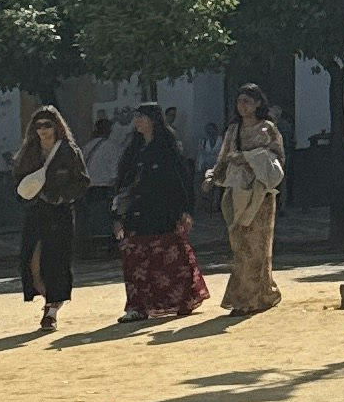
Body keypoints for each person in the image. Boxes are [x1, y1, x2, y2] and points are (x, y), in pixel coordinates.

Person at [112, 104, 210, 323]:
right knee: (134, 259)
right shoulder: (133, 149)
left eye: (141, 117)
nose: (137, 121)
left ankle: (182, 299)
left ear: (153, 120)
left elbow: (181, 180)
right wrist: (118, 214)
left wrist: (186, 210)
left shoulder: (166, 147)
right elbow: (123, 182)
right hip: (136, 212)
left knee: (171, 259)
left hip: (163, 212)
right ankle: (138, 306)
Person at [206, 86, 288, 319]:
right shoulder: (234, 130)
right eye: (240, 101)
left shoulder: (268, 129)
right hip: (237, 191)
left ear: (257, 104)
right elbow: (222, 158)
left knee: (258, 247)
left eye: (248, 101)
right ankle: (247, 296)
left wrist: (248, 158)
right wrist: (212, 176)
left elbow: (277, 158)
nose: (243, 106)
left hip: (260, 193)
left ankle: (254, 298)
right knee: (240, 247)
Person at [10, 105, 82, 333]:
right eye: (38, 126)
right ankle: (49, 297)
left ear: (56, 126)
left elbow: (81, 181)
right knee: (30, 260)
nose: (43, 130)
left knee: (56, 261)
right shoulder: (29, 152)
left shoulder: (68, 152)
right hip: (35, 212)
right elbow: (19, 182)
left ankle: (51, 310)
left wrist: (61, 197)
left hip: (59, 213)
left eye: (47, 125)